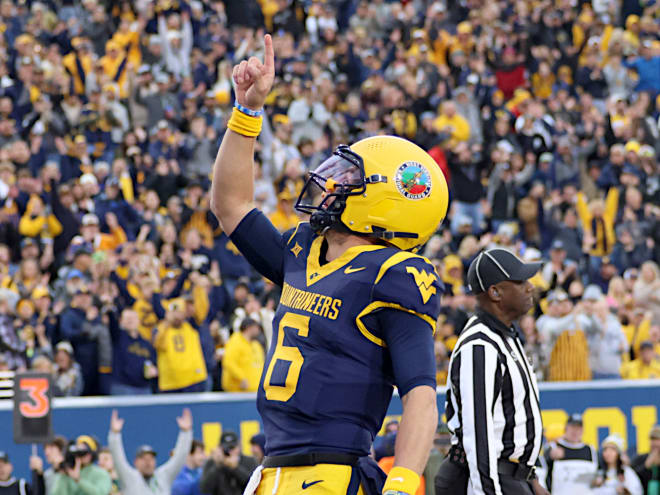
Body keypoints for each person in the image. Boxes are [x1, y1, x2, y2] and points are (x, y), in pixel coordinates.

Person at [210, 35, 449, 495]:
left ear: (383, 202)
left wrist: (401, 481)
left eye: (348, 180)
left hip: (333, 474)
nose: (329, 185)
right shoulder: (303, 250)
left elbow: (420, 392)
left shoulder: (394, 275)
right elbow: (231, 205)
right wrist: (247, 113)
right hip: (272, 471)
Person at [435, 248, 547, 495]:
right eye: (520, 282)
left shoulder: (506, 335)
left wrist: (532, 478)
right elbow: (479, 436)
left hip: (510, 477)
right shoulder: (480, 345)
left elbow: (515, 419)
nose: (530, 287)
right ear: (495, 292)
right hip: (488, 479)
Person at [107, 409, 193, 495]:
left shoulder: (163, 476)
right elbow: (118, 458)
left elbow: (179, 458)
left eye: (151, 459)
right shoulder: (129, 477)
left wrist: (186, 433)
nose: (148, 462)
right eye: (144, 459)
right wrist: (115, 434)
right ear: (135, 462)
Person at [543, 414, 598, 493]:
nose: (575, 431)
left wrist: (598, 479)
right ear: (566, 428)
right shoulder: (553, 447)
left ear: (583, 430)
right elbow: (541, 470)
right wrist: (550, 456)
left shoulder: (590, 450)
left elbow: (599, 472)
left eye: (578, 428)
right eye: (572, 427)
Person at [199, 431, 258, 495]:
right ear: (220, 448)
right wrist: (218, 465)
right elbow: (205, 489)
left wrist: (236, 468)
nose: (230, 451)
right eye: (226, 448)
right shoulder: (212, 462)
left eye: (232, 447)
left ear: (239, 446)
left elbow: (253, 485)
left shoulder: (249, 461)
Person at [221, 317, 265, 392]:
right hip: (238, 392)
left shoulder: (256, 345)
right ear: (249, 328)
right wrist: (242, 379)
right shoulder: (235, 342)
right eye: (256, 327)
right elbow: (229, 363)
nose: (258, 330)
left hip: (256, 391)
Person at [631, 424, 660, 494]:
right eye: (652, 439)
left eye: (658, 439)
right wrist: (646, 466)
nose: (655, 443)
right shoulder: (639, 459)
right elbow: (632, 480)